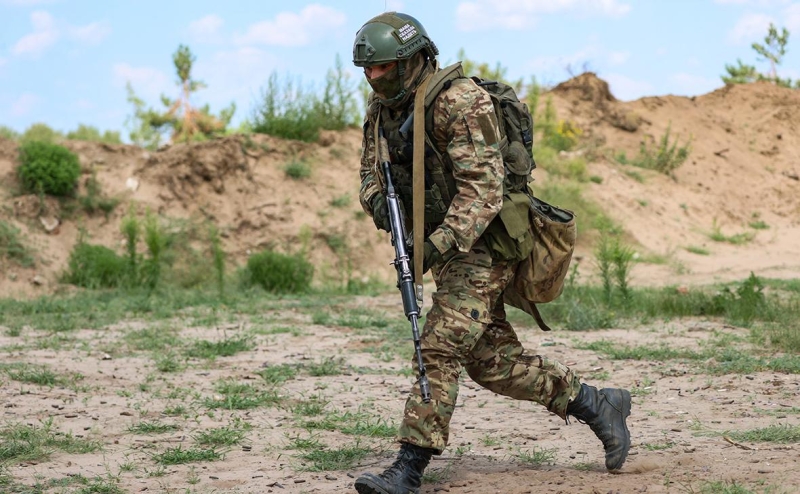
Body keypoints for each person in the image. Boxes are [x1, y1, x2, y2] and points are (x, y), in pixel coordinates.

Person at [352, 11, 631, 494]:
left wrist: (433, 246)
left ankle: (408, 467)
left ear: (413, 58)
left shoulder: (462, 103)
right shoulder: (383, 111)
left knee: (437, 346)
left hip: (487, 243)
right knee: (492, 364)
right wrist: (382, 207)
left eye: (384, 68)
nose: (374, 78)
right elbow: (369, 174)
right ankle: (594, 403)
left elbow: (484, 192)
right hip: (450, 250)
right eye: (367, 70)